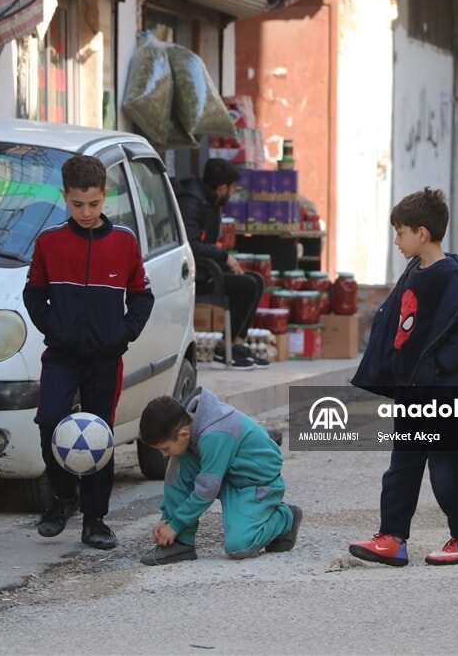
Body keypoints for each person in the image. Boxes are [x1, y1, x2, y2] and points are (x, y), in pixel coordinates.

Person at [349, 187, 458, 567]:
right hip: (412, 391)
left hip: (440, 391)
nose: (397, 241)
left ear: (422, 232)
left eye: (400, 233)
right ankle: (392, 538)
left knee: (448, 466)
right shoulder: (414, 272)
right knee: (403, 465)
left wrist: (437, 367)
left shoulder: (454, 277)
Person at [23, 154, 155, 550]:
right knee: (49, 422)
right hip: (61, 355)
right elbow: (34, 293)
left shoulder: (124, 242)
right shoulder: (50, 242)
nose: (85, 212)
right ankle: (64, 498)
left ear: (105, 197)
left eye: (93, 204)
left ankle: (95, 519)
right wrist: (54, 329)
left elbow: (142, 296)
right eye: (77, 204)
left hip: (104, 358)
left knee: (99, 435)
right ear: (64, 196)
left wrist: (123, 335)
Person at [136, 390, 300, 565]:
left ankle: (285, 517)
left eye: (165, 448)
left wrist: (175, 525)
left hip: (254, 483)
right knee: (179, 464)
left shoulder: (215, 433)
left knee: (239, 547)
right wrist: (167, 518)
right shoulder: (188, 427)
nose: (163, 454)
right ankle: (181, 543)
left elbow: (206, 489)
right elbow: (177, 481)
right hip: (228, 474)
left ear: (184, 434)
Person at [175, 159, 268, 370]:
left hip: (208, 267)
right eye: (233, 188)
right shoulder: (193, 201)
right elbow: (191, 244)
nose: (233, 193)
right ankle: (224, 349)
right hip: (195, 275)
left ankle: (236, 344)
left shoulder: (212, 202)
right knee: (247, 286)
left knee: (256, 279)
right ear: (222, 187)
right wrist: (224, 257)